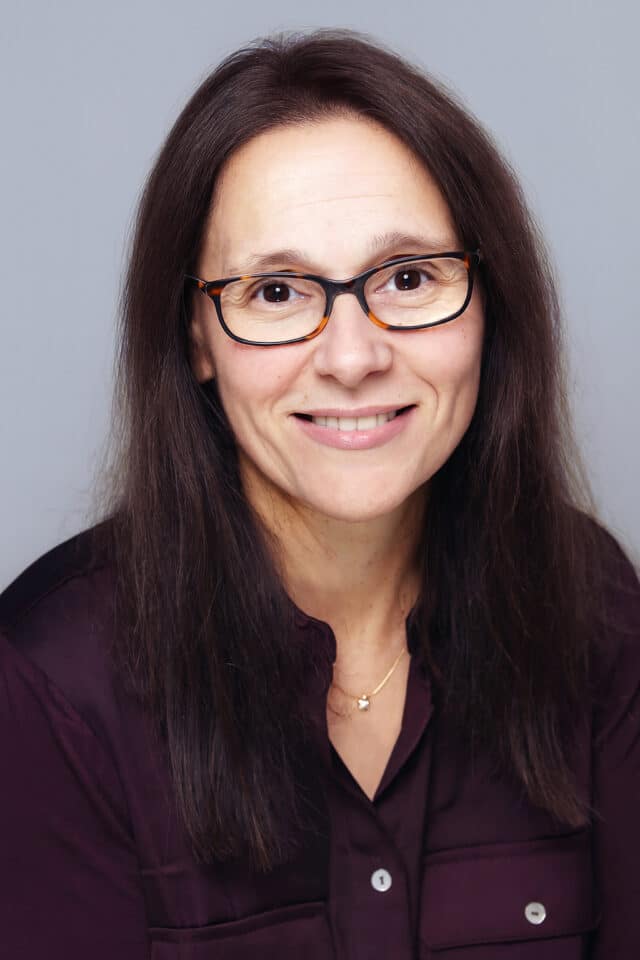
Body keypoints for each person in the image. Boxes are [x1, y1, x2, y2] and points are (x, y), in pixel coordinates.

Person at [1, 26, 639, 960]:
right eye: (277, 293)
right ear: (195, 340)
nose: (353, 356)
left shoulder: (594, 608)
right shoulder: (50, 685)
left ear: (488, 306)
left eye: (410, 277)